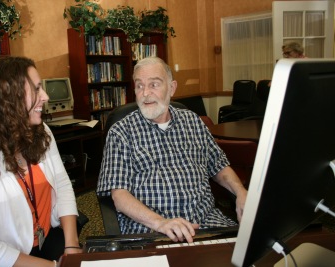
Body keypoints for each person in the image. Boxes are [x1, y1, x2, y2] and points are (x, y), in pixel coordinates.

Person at [0, 57, 82, 267]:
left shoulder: (42, 132)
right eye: (36, 89)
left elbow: (62, 185)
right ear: (8, 99)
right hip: (4, 259)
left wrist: (72, 247)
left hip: (46, 240)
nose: (45, 96)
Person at [97, 57, 248, 244]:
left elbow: (219, 166)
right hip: (152, 229)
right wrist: (161, 223)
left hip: (206, 224)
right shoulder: (121, 132)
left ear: (172, 88)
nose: (145, 93)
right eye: (139, 86)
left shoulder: (192, 122)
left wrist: (241, 192)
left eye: (154, 84)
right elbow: (119, 196)